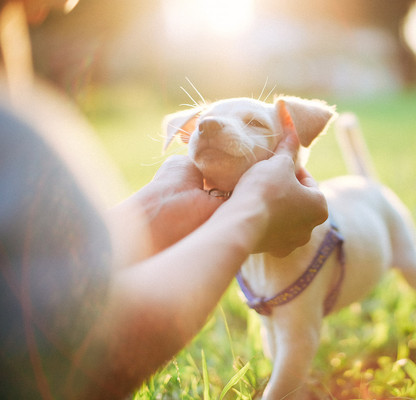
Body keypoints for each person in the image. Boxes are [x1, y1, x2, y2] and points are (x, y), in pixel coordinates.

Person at [0, 1, 328, 398]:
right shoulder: (19, 133)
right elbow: (89, 346)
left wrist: (158, 208)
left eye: (254, 122)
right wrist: (250, 212)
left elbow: (51, 287)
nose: (64, 6)